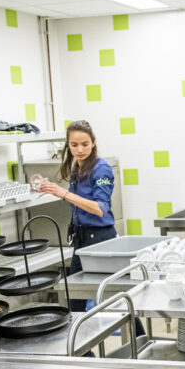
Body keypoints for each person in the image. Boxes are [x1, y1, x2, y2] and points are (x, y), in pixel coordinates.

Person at [38, 120, 120, 312]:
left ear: (93, 142)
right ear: (68, 145)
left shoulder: (101, 169)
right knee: (75, 295)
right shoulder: (78, 167)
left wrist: (64, 193)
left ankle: (135, 330)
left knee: (112, 297)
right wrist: (51, 189)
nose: (80, 150)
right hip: (81, 237)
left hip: (100, 238)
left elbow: (100, 208)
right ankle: (78, 331)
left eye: (85, 144)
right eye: (74, 145)